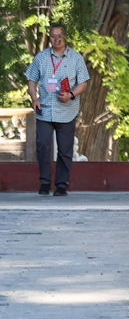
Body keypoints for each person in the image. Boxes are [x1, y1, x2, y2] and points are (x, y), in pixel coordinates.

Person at [24, 22, 90, 196]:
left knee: (65, 149)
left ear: (65, 37)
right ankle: (45, 182)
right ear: (50, 37)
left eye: (59, 36)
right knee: (43, 146)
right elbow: (31, 79)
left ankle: (61, 184)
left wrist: (71, 95)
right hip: (45, 109)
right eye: (53, 36)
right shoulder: (41, 57)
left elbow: (83, 82)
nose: (56, 40)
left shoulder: (76, 58)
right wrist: (34, 99)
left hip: (67, 110)